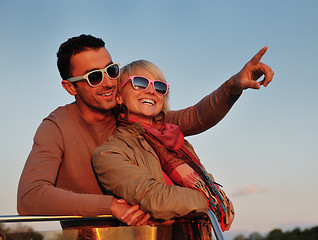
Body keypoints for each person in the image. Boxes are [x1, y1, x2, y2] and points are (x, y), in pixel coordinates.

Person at [17, 34, 274, 228]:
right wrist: (108, 206)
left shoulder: (138, 122)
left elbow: (195, 116)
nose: (107, 82)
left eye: (111, 71)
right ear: (70, 87)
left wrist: (234, 85)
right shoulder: (58, 126)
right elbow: (30, 196)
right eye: (94, 77)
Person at [92, 60, 235, 239]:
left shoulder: (180, 143)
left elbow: (206, 184)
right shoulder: (110, 152)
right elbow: (156, 199)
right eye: (140, 83)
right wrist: (212, 200)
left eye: (159, 87)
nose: (151, 91)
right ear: (119, 96)